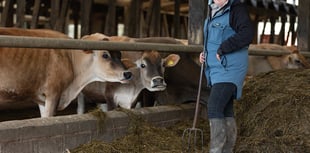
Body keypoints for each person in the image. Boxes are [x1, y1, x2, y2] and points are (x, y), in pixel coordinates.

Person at [199, 0, 254, 152]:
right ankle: (227, 150)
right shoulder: (213, 10)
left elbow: (247, 34)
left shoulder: (236, 9)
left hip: (230, 68)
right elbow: (212, 39)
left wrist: (224, 48)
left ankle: (216, 150)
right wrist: (205, 54)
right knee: (225, 109)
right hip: (216, 70)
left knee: (214, 107)